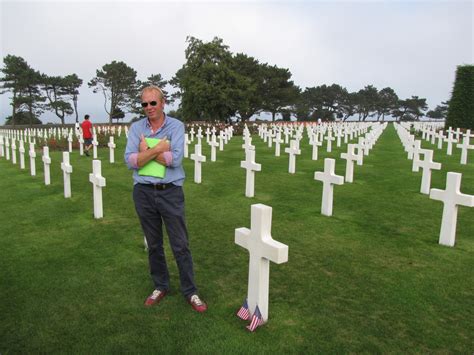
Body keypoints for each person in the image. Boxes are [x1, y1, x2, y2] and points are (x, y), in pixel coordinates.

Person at [124, 85, 207, 313]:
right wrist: (159, 149)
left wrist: (145, 152)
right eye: (144, 104)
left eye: (153, 103)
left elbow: (176, 159)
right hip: (143, 192)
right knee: (154, 244)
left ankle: (190, 291)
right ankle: (161, 285)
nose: (148, 108)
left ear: (162, 103)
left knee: (180, 244)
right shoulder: (136, 128)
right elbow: (130, 160)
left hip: (170, 191)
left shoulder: (176, 126)